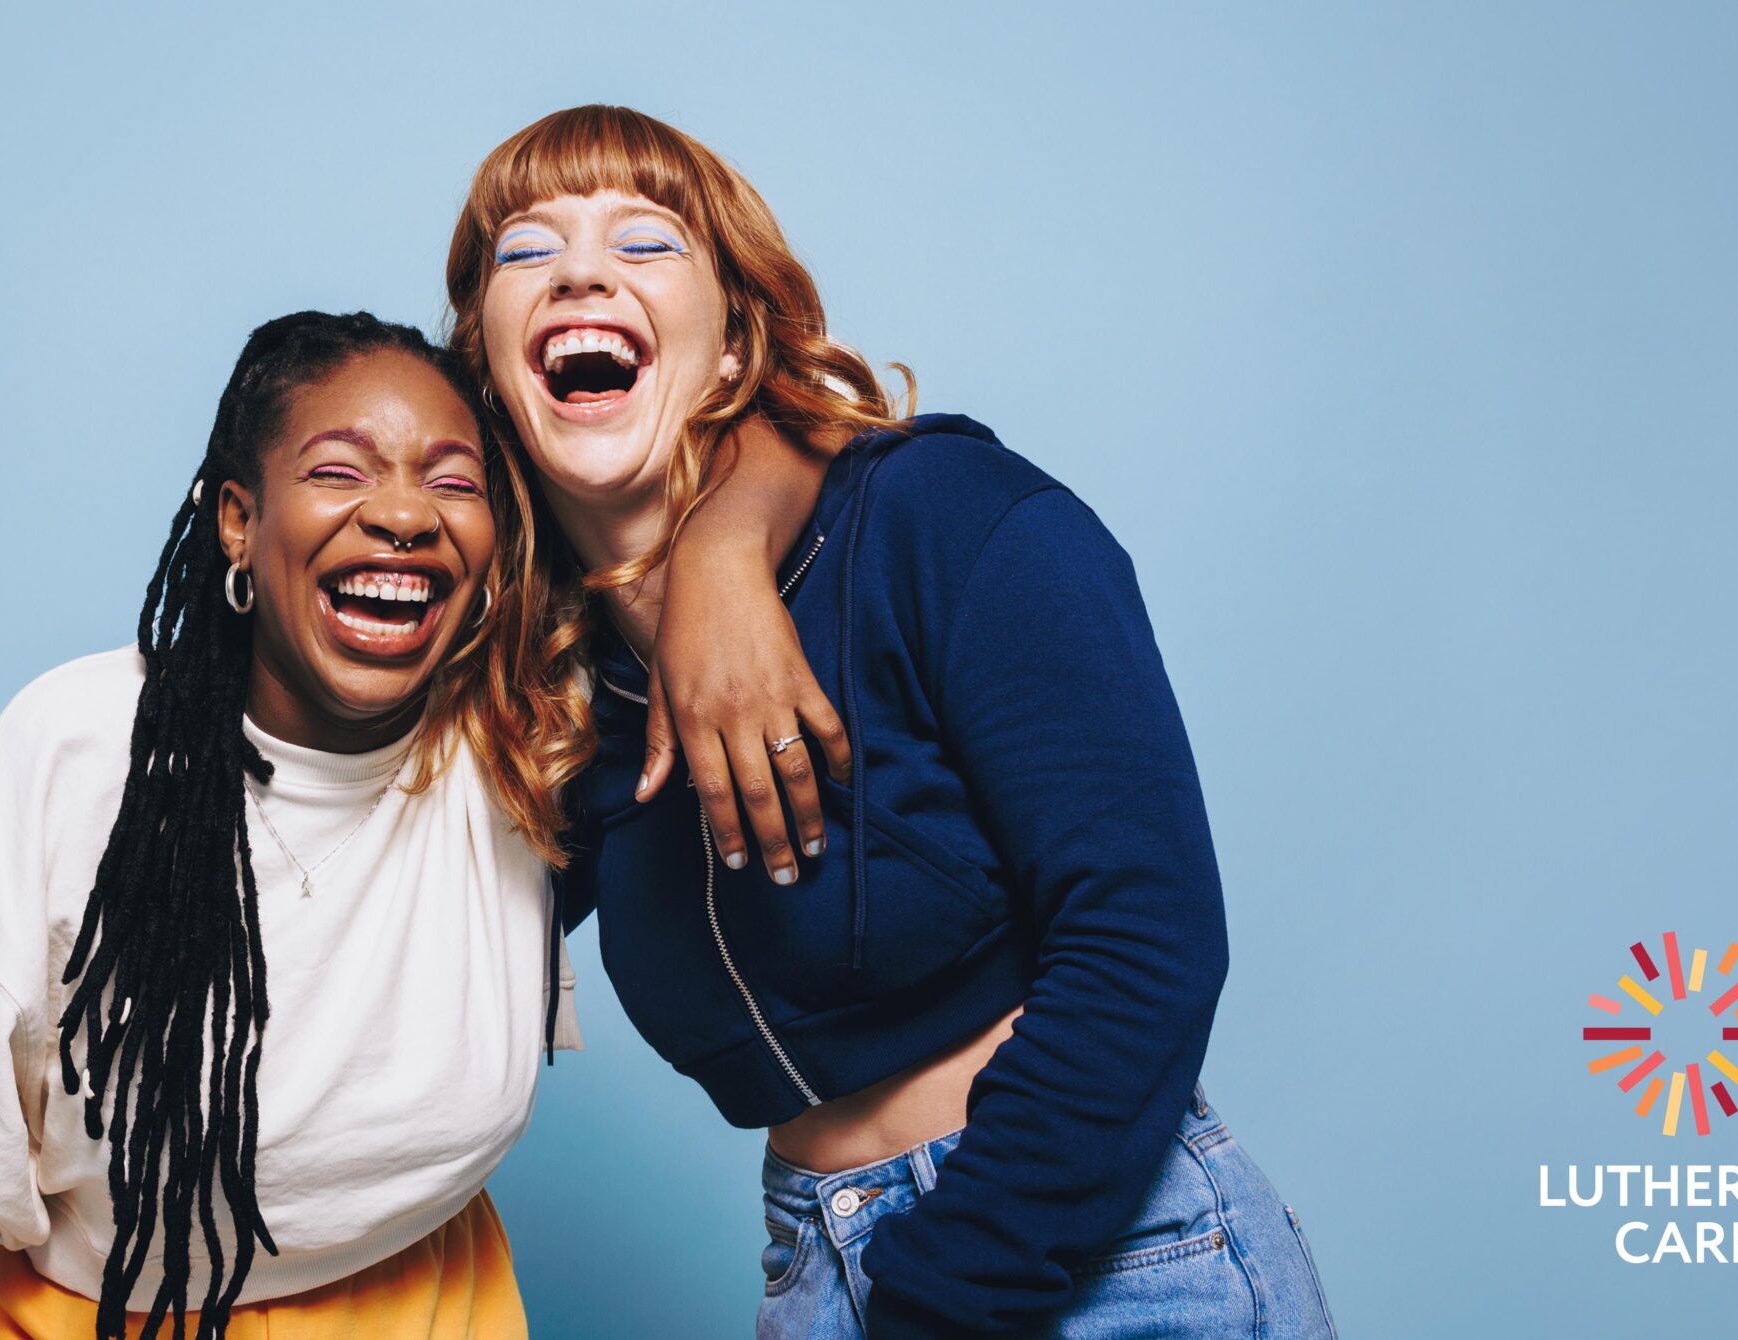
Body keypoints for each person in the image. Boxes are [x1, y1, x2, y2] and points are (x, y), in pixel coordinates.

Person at [445, 106, 1342, 1338]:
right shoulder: (561, 692)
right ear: (488, 362)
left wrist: (941, 1292)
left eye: (645, 243)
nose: (583, 269)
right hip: (815, 1269)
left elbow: (1146, 940)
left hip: (1104, 1262)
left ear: (727, 349)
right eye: (525, 251)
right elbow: (403, 930)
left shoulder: (941, 518)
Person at [0, 311, 598, 1340]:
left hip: (432, 1309)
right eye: (339, 471)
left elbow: (686, 497)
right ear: (239, 521)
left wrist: (728, 569)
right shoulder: (78, 746)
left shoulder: (525, 740)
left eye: (453, 480)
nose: (401, 513)